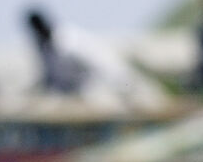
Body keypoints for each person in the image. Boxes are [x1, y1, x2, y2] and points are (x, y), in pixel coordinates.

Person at [24, 7, 168, 110]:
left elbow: (102, 68)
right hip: (69, 93)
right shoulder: (42, 46)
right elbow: (50, 77)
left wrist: (121, 87)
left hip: (98, 88)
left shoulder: (70, 42)